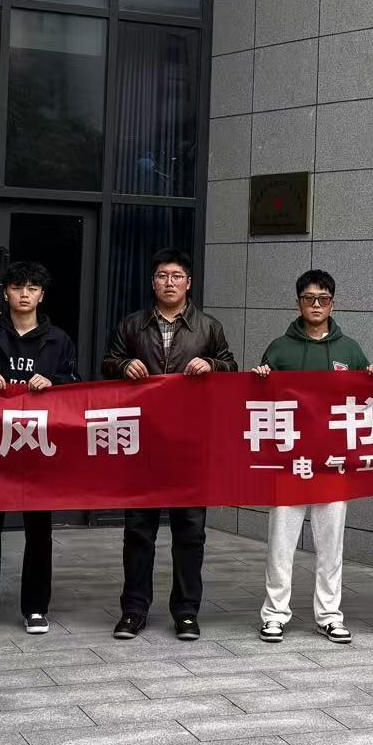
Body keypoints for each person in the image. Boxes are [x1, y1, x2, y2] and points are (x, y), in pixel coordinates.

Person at [102, 247, 238, 641]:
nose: (169, 283)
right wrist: (123, 366)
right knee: (138, 531)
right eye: (162, 276)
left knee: (190, 532)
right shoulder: (132, 325)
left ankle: (186, 612)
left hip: (189, 444)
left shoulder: (208, 327)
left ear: (188, 283)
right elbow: (107, 363)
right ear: (153, 282)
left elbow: (232, 368)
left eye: (177, 276)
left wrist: (213, 365)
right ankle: (133, 611)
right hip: (143, 441)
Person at [253, 269, 373, 644]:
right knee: (281, 545)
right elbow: (258, 402)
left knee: (331, 546)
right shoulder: (279, 348)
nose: (315, 305)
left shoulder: (350, 350)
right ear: (298, 303)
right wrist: (260, 377)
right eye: (309, 298)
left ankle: (329, 615)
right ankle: (274, 614)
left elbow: (370, 399)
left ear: (333, 304)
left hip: (332, 462)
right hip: (290, 461)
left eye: (323, 299)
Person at [0, 261, 80, 636]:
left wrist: (55, 381)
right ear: (6, 293)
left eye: (32, 288)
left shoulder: (58, 339)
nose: (24, 294)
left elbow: (76, 385)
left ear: (41, 295)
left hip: (38, 447)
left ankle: (36, 608)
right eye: (17, 287)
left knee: (39, 531)